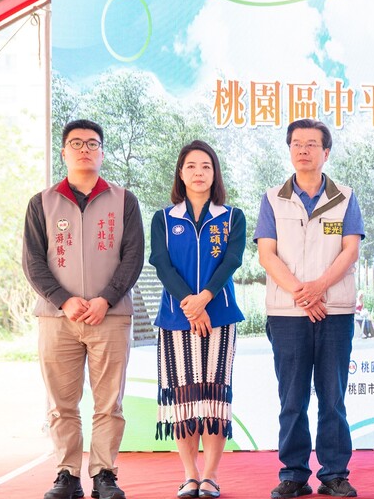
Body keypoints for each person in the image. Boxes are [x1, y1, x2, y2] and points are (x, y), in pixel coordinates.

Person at [22, 119, 144, 499]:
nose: (85, 149)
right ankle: (67, 474)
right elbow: (33, 261)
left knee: (109, 403)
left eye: (92, 143)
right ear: (64, 152)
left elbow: (133, 256)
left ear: (102, 153)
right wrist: (64, 299)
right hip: (57, 318)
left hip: (110, 316)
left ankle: (104, 474)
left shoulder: (124, 200)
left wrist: (106, 298)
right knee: (61, 403)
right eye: (76, 143)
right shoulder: (42, 202)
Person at [255, 119, 365, 498]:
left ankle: (334, 474)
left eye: (312, 144)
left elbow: (350, 250)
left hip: (334, 310)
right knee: (292, 399)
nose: (304, 150)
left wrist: (319, 288)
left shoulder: (345, 197)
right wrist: (302, 294)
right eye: (297, 144)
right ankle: (294, 474)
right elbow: (267, 255)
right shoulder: (273, 198)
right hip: (287, 313)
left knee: (333, 398)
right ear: (290, 150)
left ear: (326, 152)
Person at [150, 140, 246, 499]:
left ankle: (210, 476)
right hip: (176, 318)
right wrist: (189, 304)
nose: (198, 173)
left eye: (206, 166)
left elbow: (232, 260)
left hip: (220, 316)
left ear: (215, 173)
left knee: (214, 398)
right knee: (184, 399)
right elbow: (161, 264)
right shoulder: (163, 218)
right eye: (191, 166)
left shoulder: (232, 216)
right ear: (180, 172)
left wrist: (204, 299)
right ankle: (189, 475)